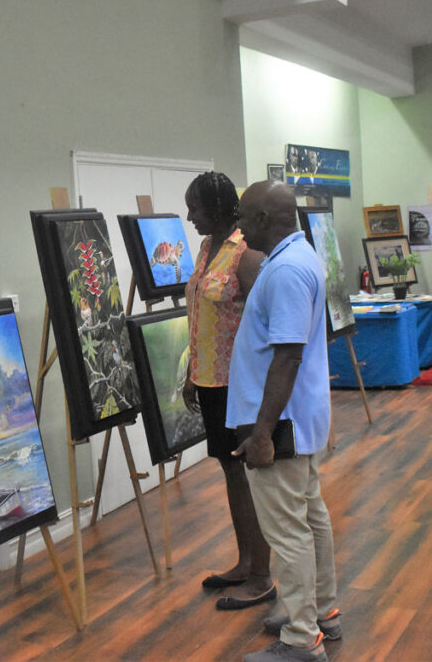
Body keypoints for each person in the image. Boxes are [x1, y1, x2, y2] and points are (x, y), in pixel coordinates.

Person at [228, 180, 340, 662]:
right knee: (311, 519)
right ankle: (321, 613)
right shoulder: (296, 257)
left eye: (243, 216)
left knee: (288, 531)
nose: (238, 224)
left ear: (263, 220)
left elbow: (287, 357)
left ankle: (300, 639)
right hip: (300, 418)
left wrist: (261, 433)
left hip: (281, 424)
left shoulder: (288, 270)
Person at [181, 172, 274, 611]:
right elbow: (201, 314)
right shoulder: (205, 250)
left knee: (252, 477)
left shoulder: (246, 255)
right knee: (231, 473)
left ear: (217, 208)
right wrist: (190, 375)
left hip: (239, 385)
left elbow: (264, 324)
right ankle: (244, 563)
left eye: (194, 209)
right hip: (209, 382)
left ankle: (262, 576)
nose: (189, 217)